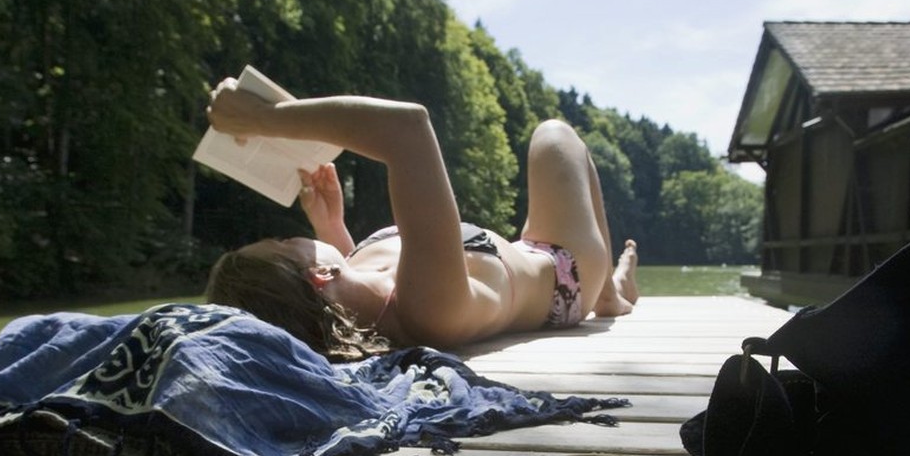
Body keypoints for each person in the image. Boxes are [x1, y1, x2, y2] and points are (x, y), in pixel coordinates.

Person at [203, 79, 639, 360]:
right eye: (283, 240)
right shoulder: (429, 311)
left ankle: (613, 289)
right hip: (565, 270)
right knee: (555, 137)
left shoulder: (358, 289)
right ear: (318, 273)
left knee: (555, 146)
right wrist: (262, 119)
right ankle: (606, 293)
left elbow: (354, 289)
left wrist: (331, 227)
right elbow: (407, 129)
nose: (291, 235)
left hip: (520, 258)